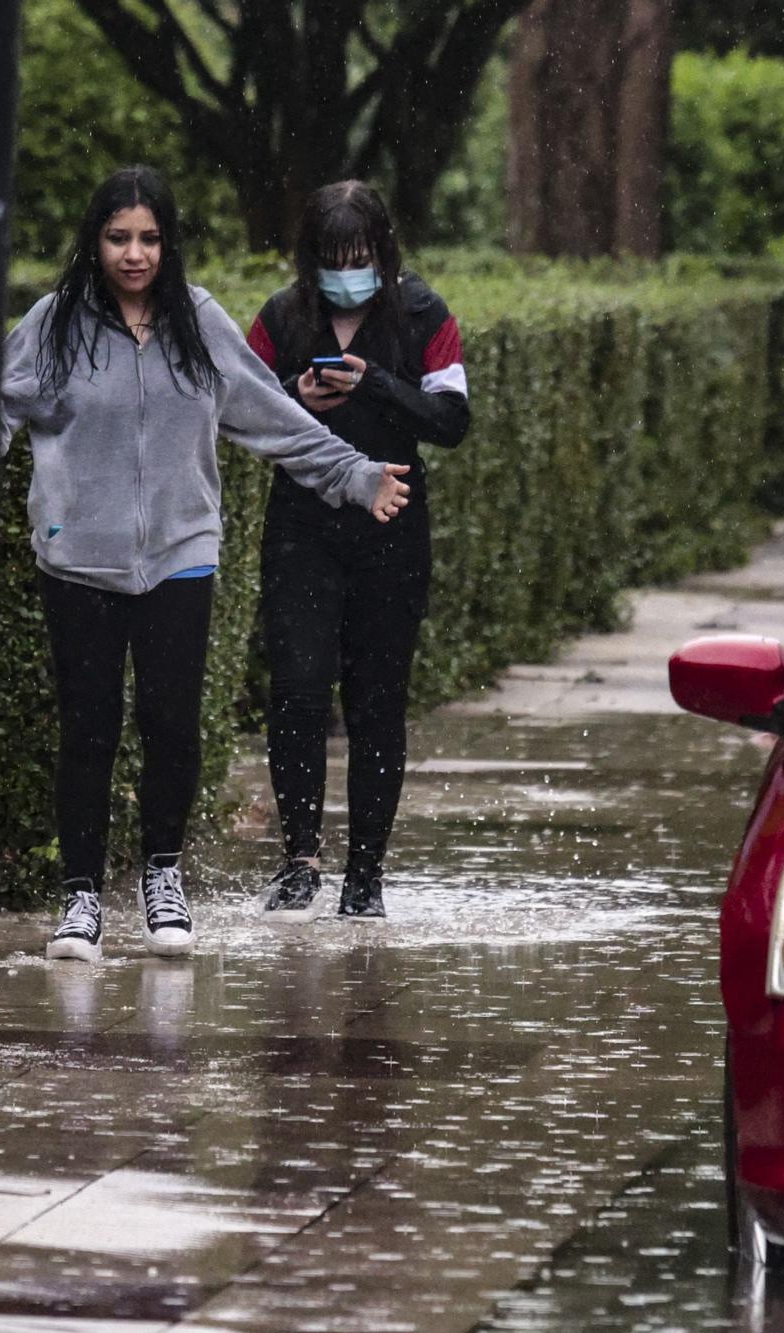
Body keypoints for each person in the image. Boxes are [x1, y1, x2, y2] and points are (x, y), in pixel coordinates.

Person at [0, 165, 411, 962]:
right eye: (118, 237)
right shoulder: (55, 325)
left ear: (168, 243)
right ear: (95, 241)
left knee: (170, 724)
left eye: (149, 238)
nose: (133, 253)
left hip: (181, 558)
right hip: (78, 559)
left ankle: (162, 878)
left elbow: (275, 418)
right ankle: (80, 896)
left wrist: (356, 476)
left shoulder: (200, 323)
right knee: (88, 728)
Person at [245, 180, 471, 922]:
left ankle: (364, 871)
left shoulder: (422, 314)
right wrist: (296, 396)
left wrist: (377, 384)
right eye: (333, 259)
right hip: (302, 529)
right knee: (300, 688)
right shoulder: (281, 316)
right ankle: (300, 856)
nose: (348, 272)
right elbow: (239, 405)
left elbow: (450, 418)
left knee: (378, 701)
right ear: (310, 260)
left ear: (383, 253)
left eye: (361, 256)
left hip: (392, 530)